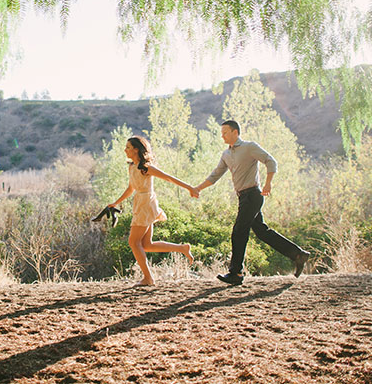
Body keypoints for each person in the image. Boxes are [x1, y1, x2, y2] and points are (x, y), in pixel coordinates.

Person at [193, 120, 310, 286]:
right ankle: (298, 255)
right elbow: (215, 175)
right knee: (262, 232)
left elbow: (271, 161)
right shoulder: (226, 155)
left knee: (239, 231)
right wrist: (198, 188)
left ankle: (236, 273)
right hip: (243, 197)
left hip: (253, 195)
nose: (222, 135)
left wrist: (268, 183)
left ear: (235, 132)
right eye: (222, 133)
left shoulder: (249, 147)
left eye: (225, 132)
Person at [107, 136, 196, 286]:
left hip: (146, 203)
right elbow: (131, 189)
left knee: (133, 242)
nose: (125, 150)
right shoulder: (132, 167)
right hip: (140, 202)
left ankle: (148, 278)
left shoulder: (146, 167)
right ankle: (182, 248)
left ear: (136, 149)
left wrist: (190, 188)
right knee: (146, 245)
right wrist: (116, 202)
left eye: (128, 147)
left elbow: (168, 178)